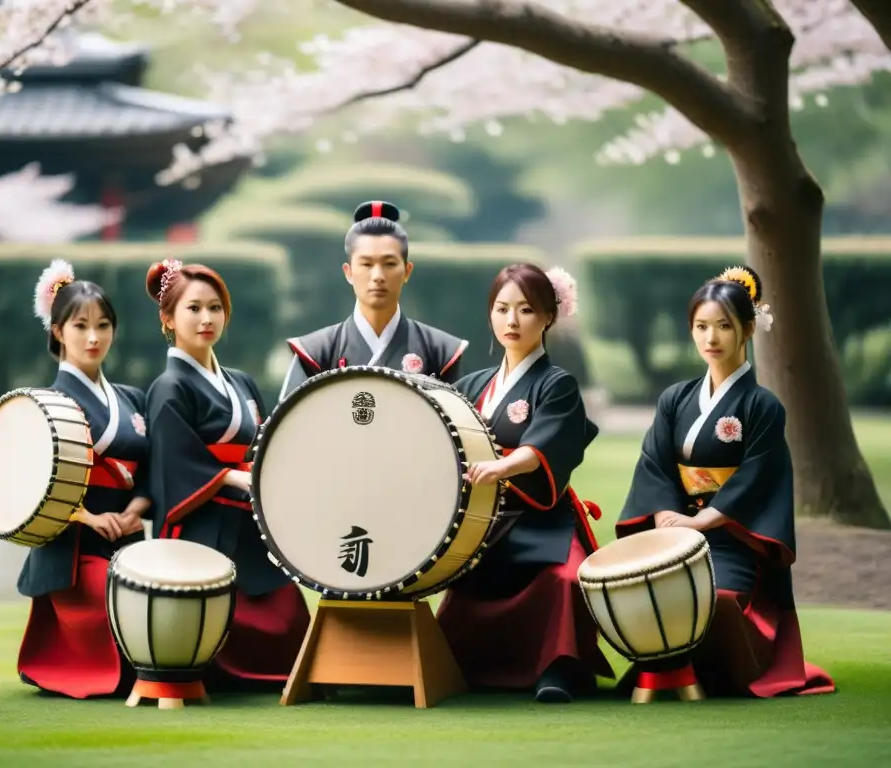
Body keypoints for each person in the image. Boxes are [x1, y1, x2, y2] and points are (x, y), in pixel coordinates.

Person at [615, 265, 835, 698]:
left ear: (748, 329)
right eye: (701, 326)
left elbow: (759, 475)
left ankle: (724, 672)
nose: (710, 338)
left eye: (723, 326)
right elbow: (654, 464)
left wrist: (702, 523)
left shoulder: (762, 405)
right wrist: (664, 515)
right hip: (674, 533)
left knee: (714, 599)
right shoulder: (675, 399)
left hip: (732, 538)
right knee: (641, 591)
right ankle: (664, 676)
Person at [437, 263, 614, 703]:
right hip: (483, 522)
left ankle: (559, 668)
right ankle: (471, 666)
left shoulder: (557, 384)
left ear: (549, 318)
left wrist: (501, 467)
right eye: (502, 309)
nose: (512, 321)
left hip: (542, 518)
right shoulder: (473, 385)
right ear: (490, 315)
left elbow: (543, 445)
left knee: (565, 580)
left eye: (526, 310)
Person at [143, 258, 310, 689]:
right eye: (193, 308)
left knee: (286, 611)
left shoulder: (241, 382)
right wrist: (235, 478)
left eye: (215, 308)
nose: (206, 318)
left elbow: (267, 444)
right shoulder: (168, 387)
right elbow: (174, 465)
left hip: (248, 520)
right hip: (202, 522)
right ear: (168, 318)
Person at [17, 258, 151, 699]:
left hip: (126, 539)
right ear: (58, 332)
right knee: (119, 610)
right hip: (73, 548)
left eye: (104, 325)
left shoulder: (131, 399)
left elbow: (151, 472)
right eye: (80, 326)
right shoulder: (46, 402)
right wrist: (89, 517)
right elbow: (29, 485)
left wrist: (134, 511)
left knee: (156, 610)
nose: (94, 337)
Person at [278, 200, 469, 400]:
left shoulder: (440, 352)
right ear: (349, 272)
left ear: (407, 271)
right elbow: (290, 426)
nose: (378, 275)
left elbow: (457, 426)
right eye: (366, 264)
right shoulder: (316, 352)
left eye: (389, 263)